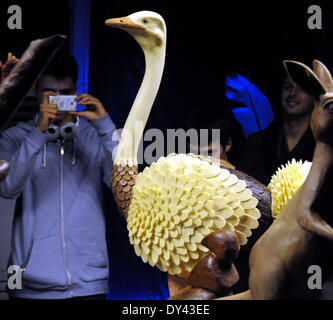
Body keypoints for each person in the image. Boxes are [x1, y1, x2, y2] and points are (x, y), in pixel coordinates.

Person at [0, 52, 118, 300]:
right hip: (28, 285)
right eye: (49, 93)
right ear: (35, 91)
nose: (56, 100)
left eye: (64, 93)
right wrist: (38, 133)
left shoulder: (94, 135)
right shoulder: (15, 138)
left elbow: (121, 185)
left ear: (76, 90)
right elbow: (8, 188)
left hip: (89, 283)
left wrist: (106, 128)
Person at [239, 72, 316, 185]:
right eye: (287, 87)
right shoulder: (257, 141)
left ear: (315, 97)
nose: (292, 93)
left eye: (301, 88)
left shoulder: (323, 145)